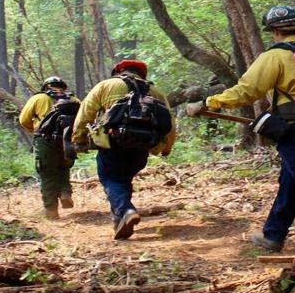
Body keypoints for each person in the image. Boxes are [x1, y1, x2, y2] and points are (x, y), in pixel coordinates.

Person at [199, 5, 295, 256]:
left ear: (275, 31)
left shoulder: (276, 56)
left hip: (294, 129)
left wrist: (211, 102)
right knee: (291, 181)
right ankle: (273, 235)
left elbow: (247, 91)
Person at [73, 59, 177, 240]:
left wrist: (78, 138)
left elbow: (85, 112)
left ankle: (125, 210)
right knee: (124, 179)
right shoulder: (156, 92)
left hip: (113, 142)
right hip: (143, 146)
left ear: (118, 71)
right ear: (142, 73)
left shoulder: (106, 85)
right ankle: (120, 221)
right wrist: (166, 147)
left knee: (110, 178)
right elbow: (170, 122)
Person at [18, 76, 77, 219]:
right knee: (63, 167)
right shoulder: (74, 100)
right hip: (67, 140)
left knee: (48, 174)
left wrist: (35, 131)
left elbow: (23, 119)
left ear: (46, 86)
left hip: (45, 140)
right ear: (63, 87)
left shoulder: (38, 98)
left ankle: (51, 210)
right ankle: (65, 193)